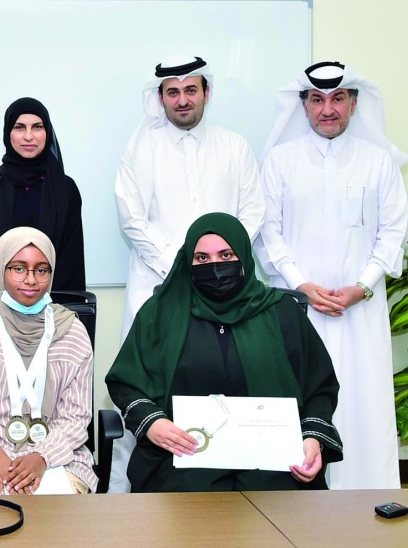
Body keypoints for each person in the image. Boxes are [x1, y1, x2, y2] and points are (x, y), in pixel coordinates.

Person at [111, 57, 264, 492]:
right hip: (157, 287)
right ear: (160, 98)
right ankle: (136, 489)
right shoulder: (140, 148)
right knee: (147, 385)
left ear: (206, 93)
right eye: (172, 92)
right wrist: (179, 268)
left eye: (191, 90)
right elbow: (131, 218)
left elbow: (251, 213)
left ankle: (230, 478)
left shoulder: (234, 145)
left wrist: (221, 266)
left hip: (228, 291)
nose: (182, 100)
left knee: (226, 378)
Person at [106, 213, 342, 493]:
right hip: (184, 459)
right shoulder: (161, 313)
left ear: (243, 255)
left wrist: (311, 440)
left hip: (273, 465)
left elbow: (319, 386)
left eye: (226, 254)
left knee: (282, 525)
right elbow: (126, 382)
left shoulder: (283, 312)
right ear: (188, 262)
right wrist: (154, 423)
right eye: (202, 259)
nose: (215, 266)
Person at [257, 62, 408, 490]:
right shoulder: (279, 161)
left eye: (338, 98)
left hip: (359, 311)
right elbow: (269, 232)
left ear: (354, 104)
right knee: (298, 398)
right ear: (303, 106)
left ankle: (369, 498)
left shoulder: (379, 162)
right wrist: (301, 285)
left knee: (364, 404)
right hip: (296, 308)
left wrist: (362, 286)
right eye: (318, 99)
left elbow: (393, 231)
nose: (328, 109)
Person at [0, 227, 96, 494]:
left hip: (55, 458)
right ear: (1, 269)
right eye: (18, 268)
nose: (30, 280)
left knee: (55, 526)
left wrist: (40, 458)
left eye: (41, 270)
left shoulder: (72, 331)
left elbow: (76, 417)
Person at [0, 97, 84, 292]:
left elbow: (70, 260)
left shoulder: (65, 188)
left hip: (51, 306)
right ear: (8, 133)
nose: (29, 136)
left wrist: (48, 306)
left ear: (48, 132)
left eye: (37, 127)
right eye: (19, 127)